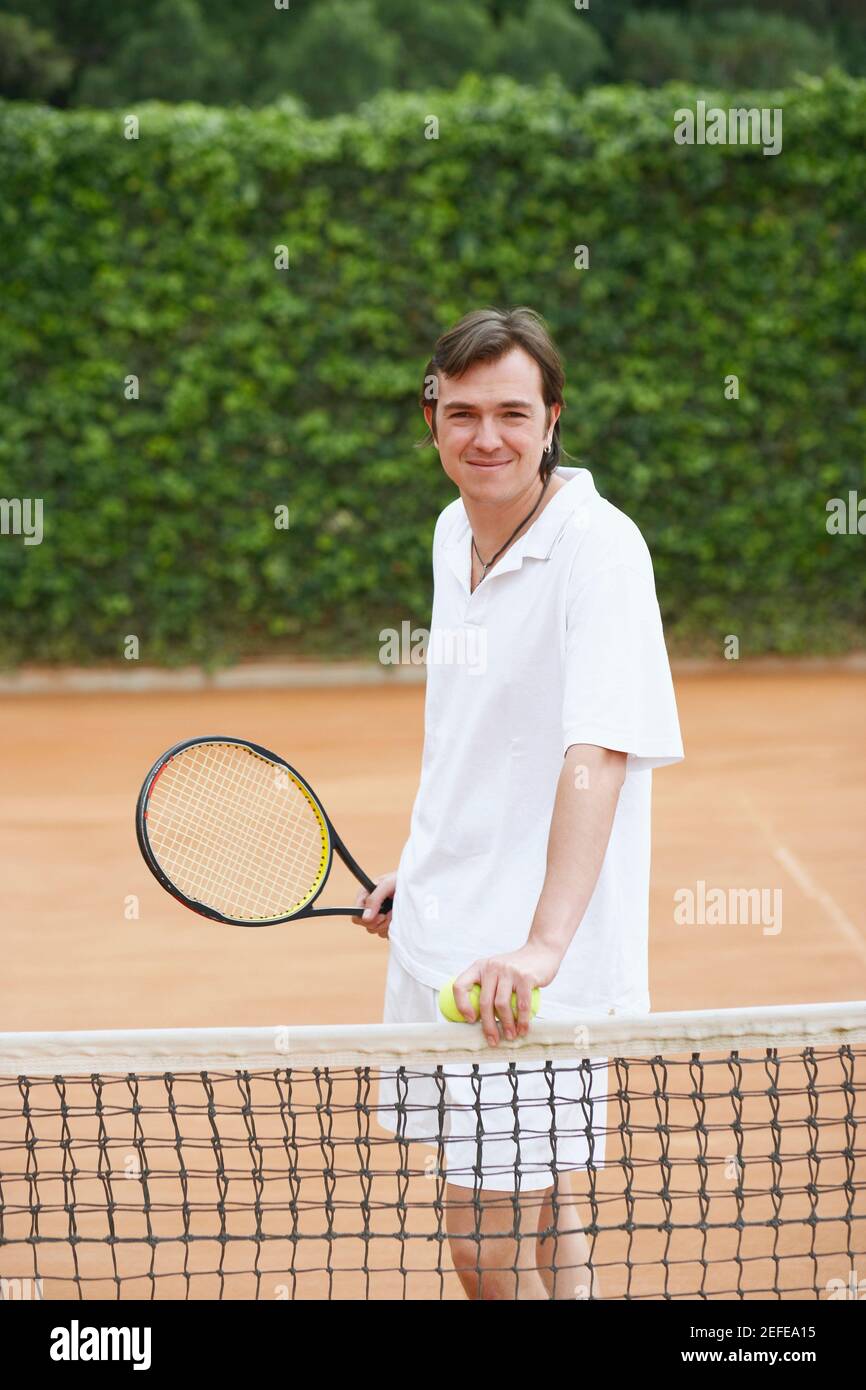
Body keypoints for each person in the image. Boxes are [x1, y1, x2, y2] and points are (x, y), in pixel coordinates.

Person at [353, 306, 683, 1299]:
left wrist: (540, 945)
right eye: (461, 413)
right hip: (443, 934)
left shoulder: (599, 549)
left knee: (480, 1250)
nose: (484, 437)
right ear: (431, 422)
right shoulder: (453, 529)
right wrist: (425, 871)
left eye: (509, 412)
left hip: (532, 972)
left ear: (551, 420)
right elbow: (473, 732)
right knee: (542, 1201)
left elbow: (597, 748)